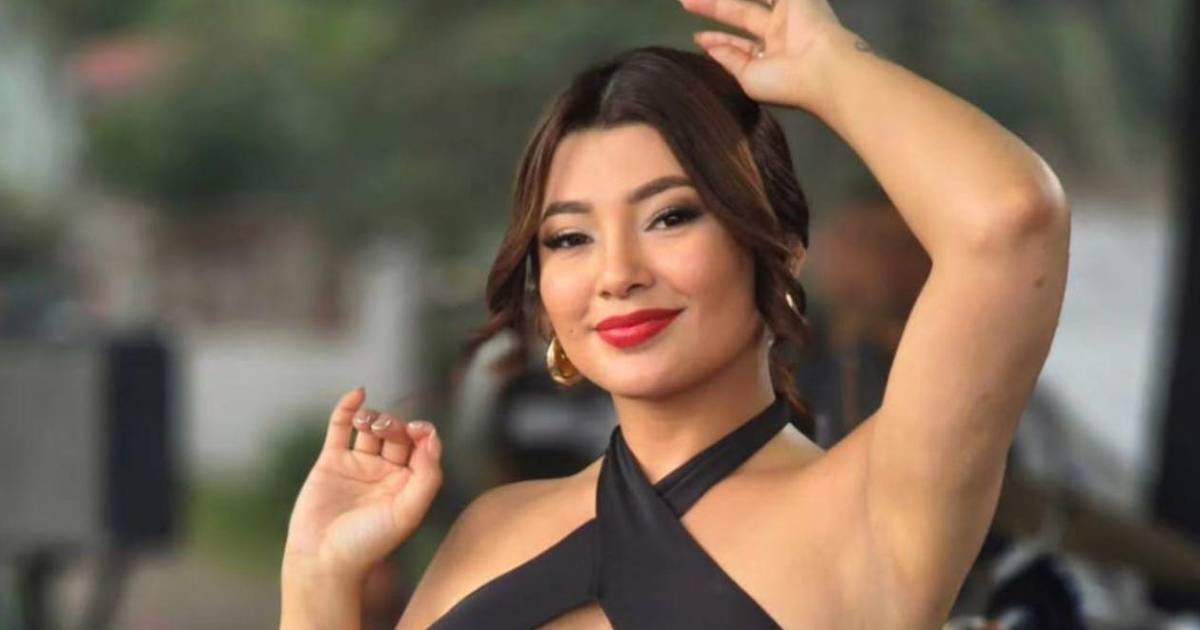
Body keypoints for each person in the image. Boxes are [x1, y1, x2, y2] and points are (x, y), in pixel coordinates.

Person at [279, 0, 1071, 627]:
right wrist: (319, 575)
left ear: (779, 245)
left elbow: (1009, 221)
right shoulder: (490, 530)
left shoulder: (870, 510)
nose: (618, 274)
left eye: (670, 217)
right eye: (571, 237)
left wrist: (836, 69)